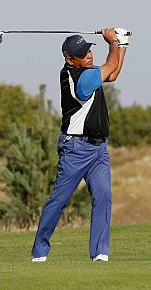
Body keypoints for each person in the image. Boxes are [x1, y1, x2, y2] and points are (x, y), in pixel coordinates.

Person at [31, 27, 129, 262]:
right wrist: (113, 42)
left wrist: (121, 46)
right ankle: (39, 251)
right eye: (82, 53)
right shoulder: (81, 78)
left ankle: (100, 253)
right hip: (76, 149)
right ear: (69, 59)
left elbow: (112, 73)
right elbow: (111, 66)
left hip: (98, 149)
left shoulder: (85, 70)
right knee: (60, 200)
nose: (88, 55)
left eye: (88, 50)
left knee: (103, 196)